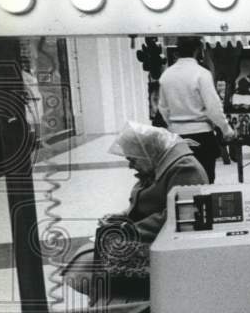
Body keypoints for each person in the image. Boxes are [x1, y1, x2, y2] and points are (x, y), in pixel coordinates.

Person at [62, 122, 208, 303]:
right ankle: (111, 301)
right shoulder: (161, 164)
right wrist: (123, 217)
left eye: (133, 159)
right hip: (154, 238)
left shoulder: (185, 169)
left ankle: (124, 303)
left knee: (85, 269)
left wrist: (128, 229)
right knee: (84, 262)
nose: (130, 166)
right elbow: (152, 206)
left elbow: (179, 216)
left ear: (147, 152)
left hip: (168, 246)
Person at [158, 36, 236, 182]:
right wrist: (226, 129)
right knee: (205, 180)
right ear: (198, 50)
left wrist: (174, 125)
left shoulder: (166, 75)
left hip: (176, 138)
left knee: (180, 181)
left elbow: (163, 108)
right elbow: (213, 108)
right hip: (202, 137)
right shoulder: (202, 74)